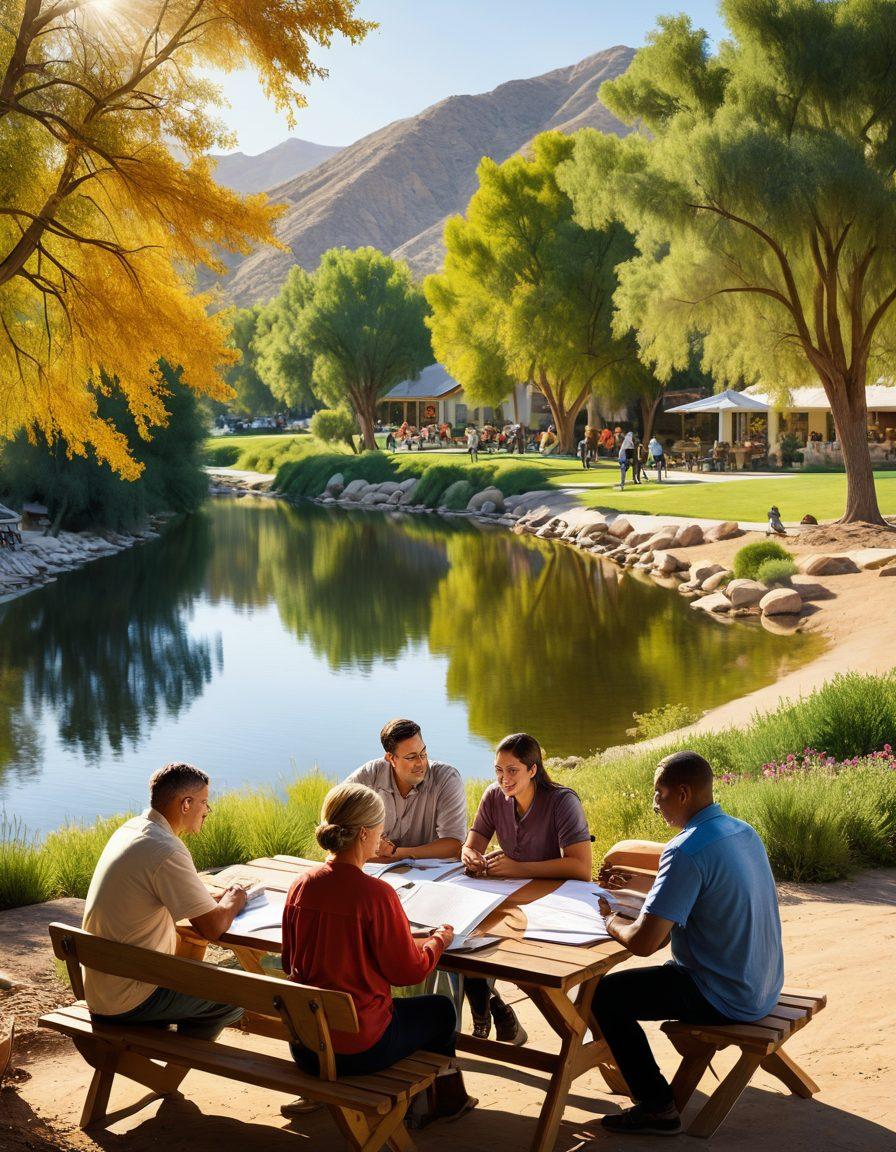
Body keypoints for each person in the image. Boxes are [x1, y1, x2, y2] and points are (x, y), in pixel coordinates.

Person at [591, 751, 784, 1136]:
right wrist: (640, 888)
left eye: (658, 793)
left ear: (682, 793)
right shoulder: (741, 831)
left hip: (725, 994)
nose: (654, 803)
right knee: (633, 985)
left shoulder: (685, 849)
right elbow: (701, 889)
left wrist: (610, 919)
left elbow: (645, 942)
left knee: (605, 995)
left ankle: (657, 1107)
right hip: (764, 984)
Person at [281, 782, 476, 1123]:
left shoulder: (302, 885)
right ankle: (443, 1101)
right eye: (380, 831)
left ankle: (433, 1099)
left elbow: (289, 960)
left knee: (411, 1012)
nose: (382, 839)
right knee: (441, 1010)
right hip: (361, 1048)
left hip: (307, 1046)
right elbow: (408, 973)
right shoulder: (376, 894)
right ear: (363, 834)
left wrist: (404, 936)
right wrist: (439, 941)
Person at [83, 763, 247, 1039]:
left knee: (199, 976)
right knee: (236, 997)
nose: (207, 811)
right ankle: (181, 1061)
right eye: (204, 802)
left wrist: (207, 900)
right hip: (130, 996)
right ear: (186, 804)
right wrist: (234, 899)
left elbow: (151, 891)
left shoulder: (132, 829)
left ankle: (178, 1053)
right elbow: (212, 928)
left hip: (104, 987)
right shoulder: (166, 849)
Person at [460, 733, 592, 1044]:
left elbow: (581, 868)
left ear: (533, 769)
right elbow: (472, 845)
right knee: (463, 939)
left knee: (524, 968)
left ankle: (495, 1019)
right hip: (510, 897)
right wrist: (470, 856)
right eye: (498, 770)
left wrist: (520, 868)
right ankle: (487, 1017)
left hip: (555, 902)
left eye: (512, 770)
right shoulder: (493, 796)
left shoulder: (562, 801)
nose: (503, 779)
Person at [347, 719, 467, 862]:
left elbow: (454, 845)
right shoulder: (369, 776)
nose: (420, 763)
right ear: (391, 758)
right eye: (411, 757)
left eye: (423, 753)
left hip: (428, 871)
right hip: (375, 868)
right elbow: (335, 819)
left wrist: (395, 853)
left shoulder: (447, 779)